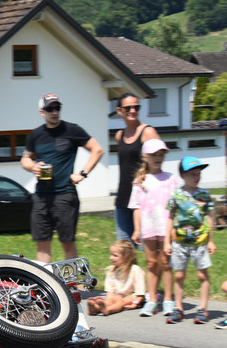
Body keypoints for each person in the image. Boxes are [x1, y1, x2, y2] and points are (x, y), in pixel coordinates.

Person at [20, 94, 104, 263]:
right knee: (42, 243)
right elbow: (25, 159)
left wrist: (83, 173)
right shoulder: (36, 135)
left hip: (65, 195)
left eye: (57, 108)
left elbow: (97, 149)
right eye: (50, 109)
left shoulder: (72, 130)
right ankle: (45, 279)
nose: (54, 112)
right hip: (41, 196)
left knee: (67, 242)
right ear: (42, 112)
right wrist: (33, 167)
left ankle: (73, 280)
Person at [164, 156, 216, 324]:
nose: (196, 177)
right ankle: (178, 308)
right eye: (193, 174)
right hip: (180, 242)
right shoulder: (176, 195)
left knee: (202, 275)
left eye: (198, 173)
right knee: (179, 275)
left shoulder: (204, 195)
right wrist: (167, 242)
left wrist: (211, 241)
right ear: (183, 176)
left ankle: (203, 309)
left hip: (200, 241)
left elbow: (209, 218)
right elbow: (170, 218)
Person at [128, 139, 176, 317]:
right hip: (148, 227)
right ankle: (152, 300)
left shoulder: (170, 179)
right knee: (151, 263)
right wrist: (136, 229)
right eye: (154, 155)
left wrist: (173, 229)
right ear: (145, 157)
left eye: (161, 155)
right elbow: (136, 207)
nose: (158, 158)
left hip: (165, 227)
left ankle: (168, 299)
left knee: (165, 263)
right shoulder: (140, 181)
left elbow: (175, 206)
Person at [113, 93, 160, 244]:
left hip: (144, 199)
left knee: (149, 250)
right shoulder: (119, 135)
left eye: (136, 107)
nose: (132, 111)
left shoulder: (148, 132)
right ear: (119, 110)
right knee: (125, 250)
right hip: (123, 198)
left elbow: (158, 162)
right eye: (128, 108)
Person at [87, 240, 145, 316]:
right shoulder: (112, 270)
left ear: (126, 257)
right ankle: (95, 308)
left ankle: (108, 310)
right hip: (118, 296)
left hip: (132, 296)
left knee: (120, 302)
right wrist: (109, 300)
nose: (111, 258)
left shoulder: (135, 270)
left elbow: (140, 293)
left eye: (115, 255)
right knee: (113, 300)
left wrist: (135, 304)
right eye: (111, 255)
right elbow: (110, 290)